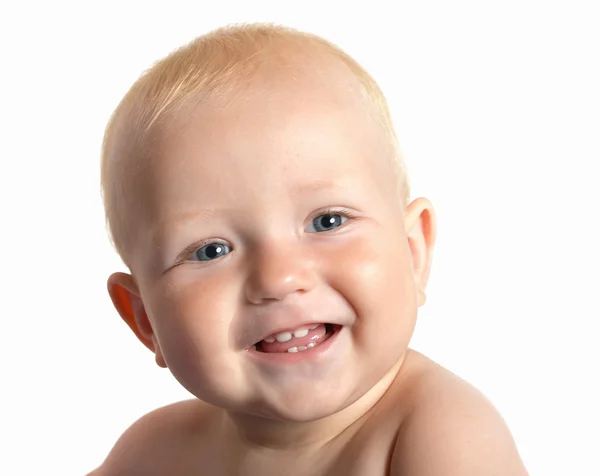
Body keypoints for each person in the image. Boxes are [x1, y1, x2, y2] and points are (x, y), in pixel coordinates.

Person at [91, 23, 528, 475]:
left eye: (328, 222)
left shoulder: (440, 433)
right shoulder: (155, 452)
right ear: (144, 320)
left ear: (413, 252)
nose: (279, 278)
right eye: (211, 251)